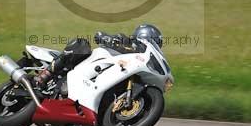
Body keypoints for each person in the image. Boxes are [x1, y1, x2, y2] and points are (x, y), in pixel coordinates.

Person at [34, 24, 163, 88]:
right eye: (156, 40)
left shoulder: (143, 58)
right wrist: (107, 38)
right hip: (93, 64)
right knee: (81, 44)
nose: (156, 44)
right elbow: (100, 35)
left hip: (109, 77)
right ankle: (46, 73)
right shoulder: (125, 40)